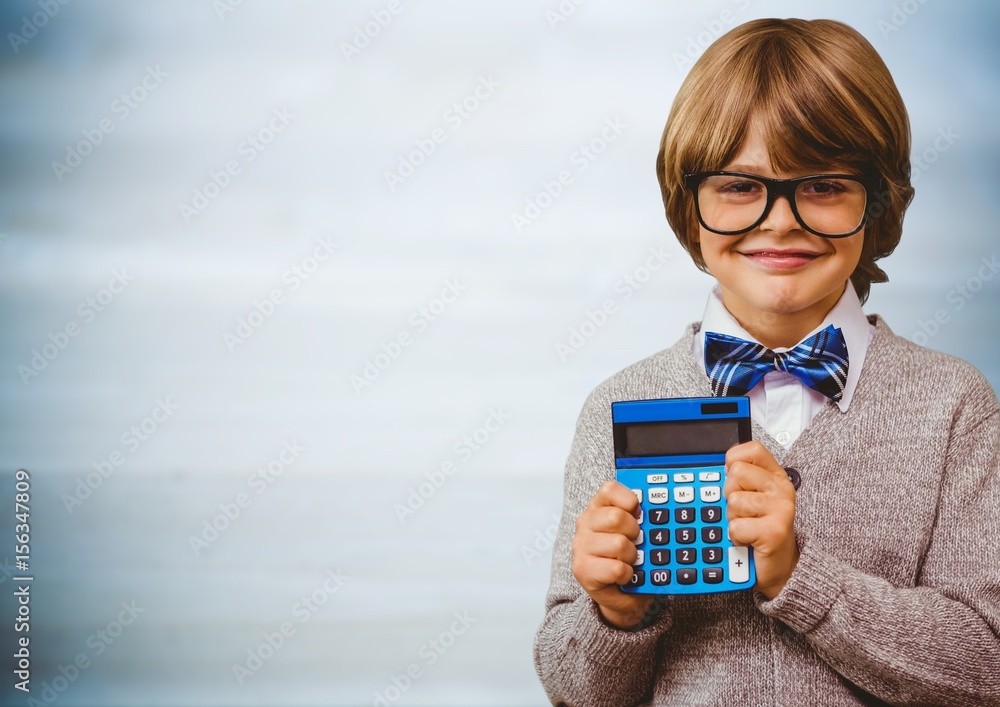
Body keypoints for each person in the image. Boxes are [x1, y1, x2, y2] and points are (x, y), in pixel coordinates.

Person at [533, 17, 1000, 706]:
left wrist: (798, 576)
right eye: (740, 186)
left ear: (877, 201)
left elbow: (984, 665)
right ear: (688, 205)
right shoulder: (616, 404)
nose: (781, 221)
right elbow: (574, 689)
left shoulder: (953, 404)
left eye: (823, 185)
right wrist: (614, 613)